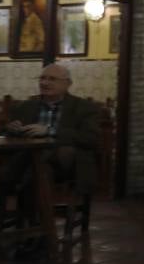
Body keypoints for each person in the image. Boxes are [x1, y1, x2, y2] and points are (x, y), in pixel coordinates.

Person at [5, 63, 101, 192]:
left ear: (68, 83)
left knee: (31, 169)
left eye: (52, 79)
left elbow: (90, 138)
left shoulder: (85, 108)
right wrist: (11, 129)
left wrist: (50, 130)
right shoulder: (25, 106)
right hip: (28, 159)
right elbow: (6, 134)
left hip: (65, 162)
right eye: (42, 78)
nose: (45, 83)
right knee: (37, 170)